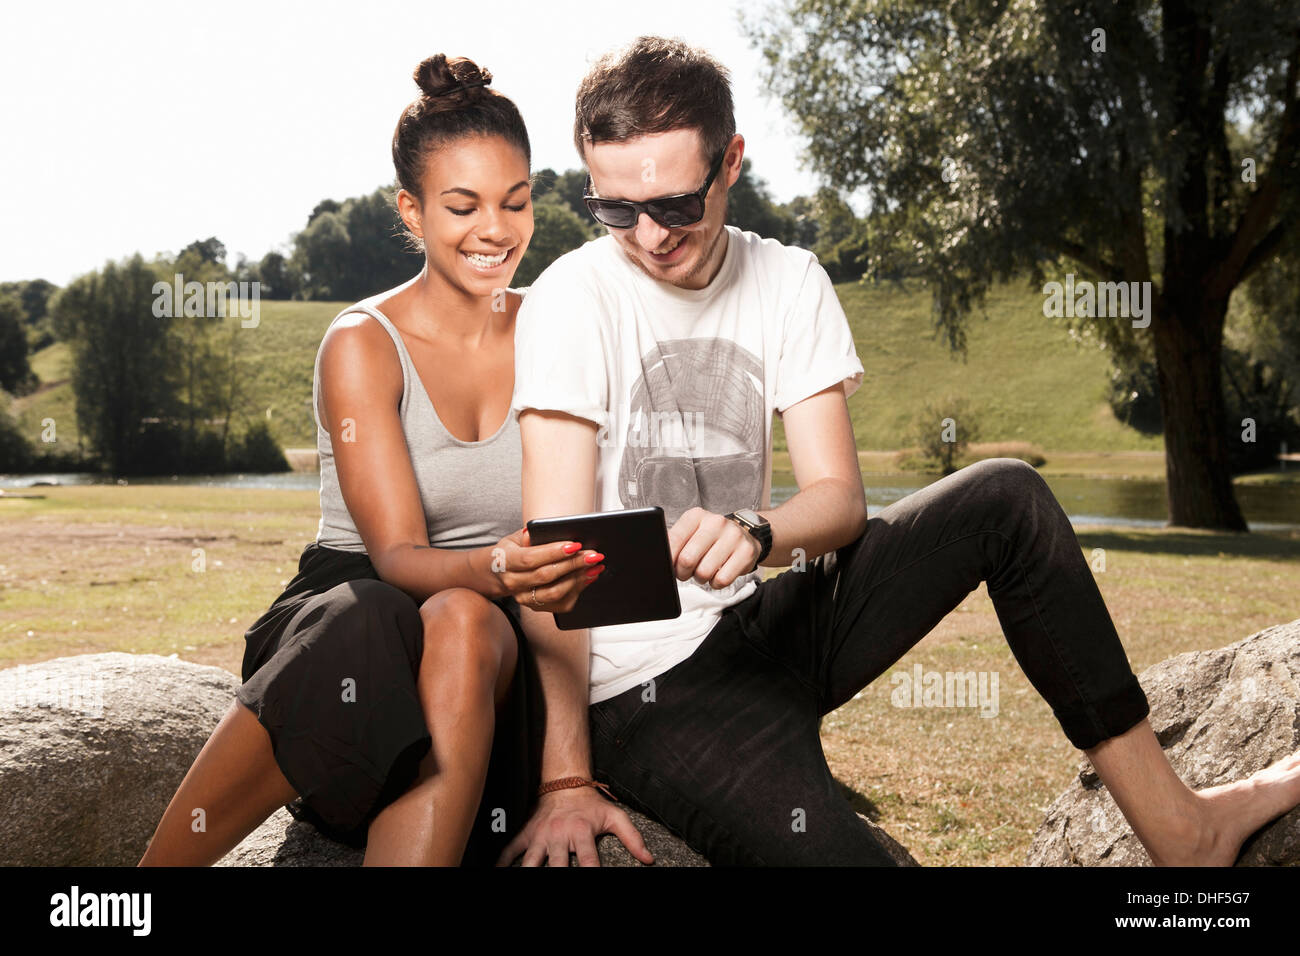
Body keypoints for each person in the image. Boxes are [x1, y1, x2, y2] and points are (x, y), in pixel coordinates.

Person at [491, 35, 1300, 866]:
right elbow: (558, 575)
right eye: (617, 210)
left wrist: (760, 531)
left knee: (1007, 498)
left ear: (729, 161)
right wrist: (564, 782)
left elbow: (838, 499)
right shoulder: (569, 303)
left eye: (674, 206)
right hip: (651, 688)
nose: (649, 235)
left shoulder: (790, 279)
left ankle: (1180, 827)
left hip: (771, 615)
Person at [139, 53, 649, 867]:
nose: (496, 229)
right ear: (411, 212)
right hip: (349, 635)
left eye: (515, 202)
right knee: (380, 615)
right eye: (463, 205)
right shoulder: (362, 343)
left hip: (486, 657)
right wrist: (506, 563)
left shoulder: (558, 324)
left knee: (465, 617)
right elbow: (396, 558)